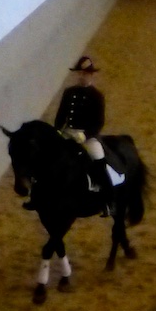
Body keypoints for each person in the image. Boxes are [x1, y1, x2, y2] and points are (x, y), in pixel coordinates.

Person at [50, 56, 112, 216]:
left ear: (91, 75)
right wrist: (57, 131)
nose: (82, 76)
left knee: (99, 158)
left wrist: (85, 135)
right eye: (80, 73)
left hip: (87, 136)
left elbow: (99, 122)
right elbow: (60, 116)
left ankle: (105, 199)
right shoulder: (69, 92)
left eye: (85, 74)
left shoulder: (97, 96)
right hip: (68, 132)